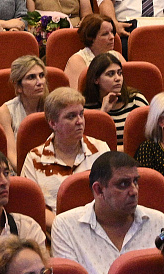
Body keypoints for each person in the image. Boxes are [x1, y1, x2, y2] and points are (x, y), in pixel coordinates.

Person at [20, 88, 106, 222]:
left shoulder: (100, 149)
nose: (80, 121)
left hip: (98, 225)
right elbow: (32, 205)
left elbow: (112, 195)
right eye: (71, 116)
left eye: (81, 114)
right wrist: (63, 228)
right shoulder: (34, 159)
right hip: (54, 228)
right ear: (53, 123)